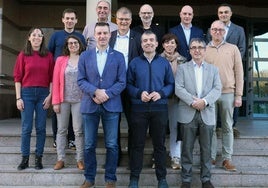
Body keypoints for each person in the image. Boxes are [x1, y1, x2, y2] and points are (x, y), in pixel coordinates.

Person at [78, 22, 126, 188]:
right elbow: (81, 80)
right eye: (99, 33)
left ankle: (110, 179)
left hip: (111, 105)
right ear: (94, 36)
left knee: (112, 145)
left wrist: (106, 94)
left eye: (105, 33)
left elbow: (122, 82)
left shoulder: (118, 56)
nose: (102, 36)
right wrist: (95, 92)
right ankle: (89, 178)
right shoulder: (85, 56)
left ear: (110, 35)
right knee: (89, 144)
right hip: (90, 105)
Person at [127, 30, 174, 188]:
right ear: (141, 44)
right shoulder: (134, 63)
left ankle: (162, 179)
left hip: (159, 109)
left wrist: (161, 93)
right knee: (137, 145)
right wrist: (139, 93)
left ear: (156, 43)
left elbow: (170, 85)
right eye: (145, 40)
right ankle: (134, 179)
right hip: (138, 109)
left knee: (159, 145)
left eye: (151, 40)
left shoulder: (164, 63)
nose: (148, 43)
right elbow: (128, 85)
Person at [175, 38, 221, 188]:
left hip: (207, 113)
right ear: (189, 51)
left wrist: (205, 102)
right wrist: (193, 102)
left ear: (205, 50)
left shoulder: (213, 69)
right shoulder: (182, 68)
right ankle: (186, 180)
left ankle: (206, 179)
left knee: (206, 149)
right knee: (186, 149)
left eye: (200, 47)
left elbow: (217, 89)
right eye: (193, 47)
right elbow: (178, 88)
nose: (197, 50)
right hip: (188, 112)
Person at [205, 20, 244, 171]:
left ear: (224, 32)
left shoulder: (233, 49)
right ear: (210, 31)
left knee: (227, 126)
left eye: (220, 30)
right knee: (211, 126)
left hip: (228, 93)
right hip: (209, 94)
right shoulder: (204, 49)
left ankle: (227, 158)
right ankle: (211, 157)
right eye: (214, 29)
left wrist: (238, 95)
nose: (217, 32)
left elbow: (239, 73)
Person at [14, 27, 54, 170]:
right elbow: (17, 78)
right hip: (27, 94)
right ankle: (25, 159)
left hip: (43, 94)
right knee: (26, 128)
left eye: (40, 35)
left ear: (43, 39)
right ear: (29, 38)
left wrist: (50, 95)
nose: (37, 37)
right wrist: (18, 98)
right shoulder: (23, 55)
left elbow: (52, 78)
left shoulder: (48, 55)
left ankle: (39, 158)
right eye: (34, 35)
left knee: (41, 128)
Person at [48, 8, 86, 149]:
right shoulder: (56, 36)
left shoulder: (80, 37)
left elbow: (84, 55)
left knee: (74, 115)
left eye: (72, 18)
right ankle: (57, 139)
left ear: (76, 20)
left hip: (76, 81)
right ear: (63, 20)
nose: (69, 21)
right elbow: (49, 55)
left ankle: (71, 139)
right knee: (57, 111)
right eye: (67, 18)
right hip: (58, 78)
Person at [207, 3, 246, 138]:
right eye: (221, 12)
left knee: (231, 101)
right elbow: (210, 49)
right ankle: (218, 127)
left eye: (226, 12)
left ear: (231, 14)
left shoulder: (239, 29)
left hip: (231, 69)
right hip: (214, 77)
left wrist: (232, 61)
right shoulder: (211, 29)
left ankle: (233, 126)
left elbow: (241, 48)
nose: (223, 14)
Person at [109, 6, 142, 165]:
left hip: (131, 85)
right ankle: (116, 156)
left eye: (126, 19)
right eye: (121, 19)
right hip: (113, 87)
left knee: (133, 123)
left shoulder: (138, 37)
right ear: (116, 20)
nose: (123, 22)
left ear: (130, 21)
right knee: (113, 122)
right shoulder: (110, 36)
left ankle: (131, 156)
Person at [52, 35, 85, 170]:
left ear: (79, 44)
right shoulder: (60, 60)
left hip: (80, 100)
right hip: (63, 100)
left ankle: (80, 160)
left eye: (75, 43)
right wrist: (55, 102)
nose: (73, 45)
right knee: (61, 130)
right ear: (67, 46)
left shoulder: (84, 59)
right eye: (70, 43)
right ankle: (60, 159)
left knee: (78, 131)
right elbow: (55, 81)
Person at [160, 33, 186, 170]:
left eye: (172, 42)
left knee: (175, 128)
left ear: (176, 45)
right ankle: (159, 156)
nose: (169, 45)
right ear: (163, 45)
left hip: (177, 100)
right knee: (159, 128)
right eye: (167, 42)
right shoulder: (157, 59)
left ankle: (176, 157)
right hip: (160, 99)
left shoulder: (183, 60)